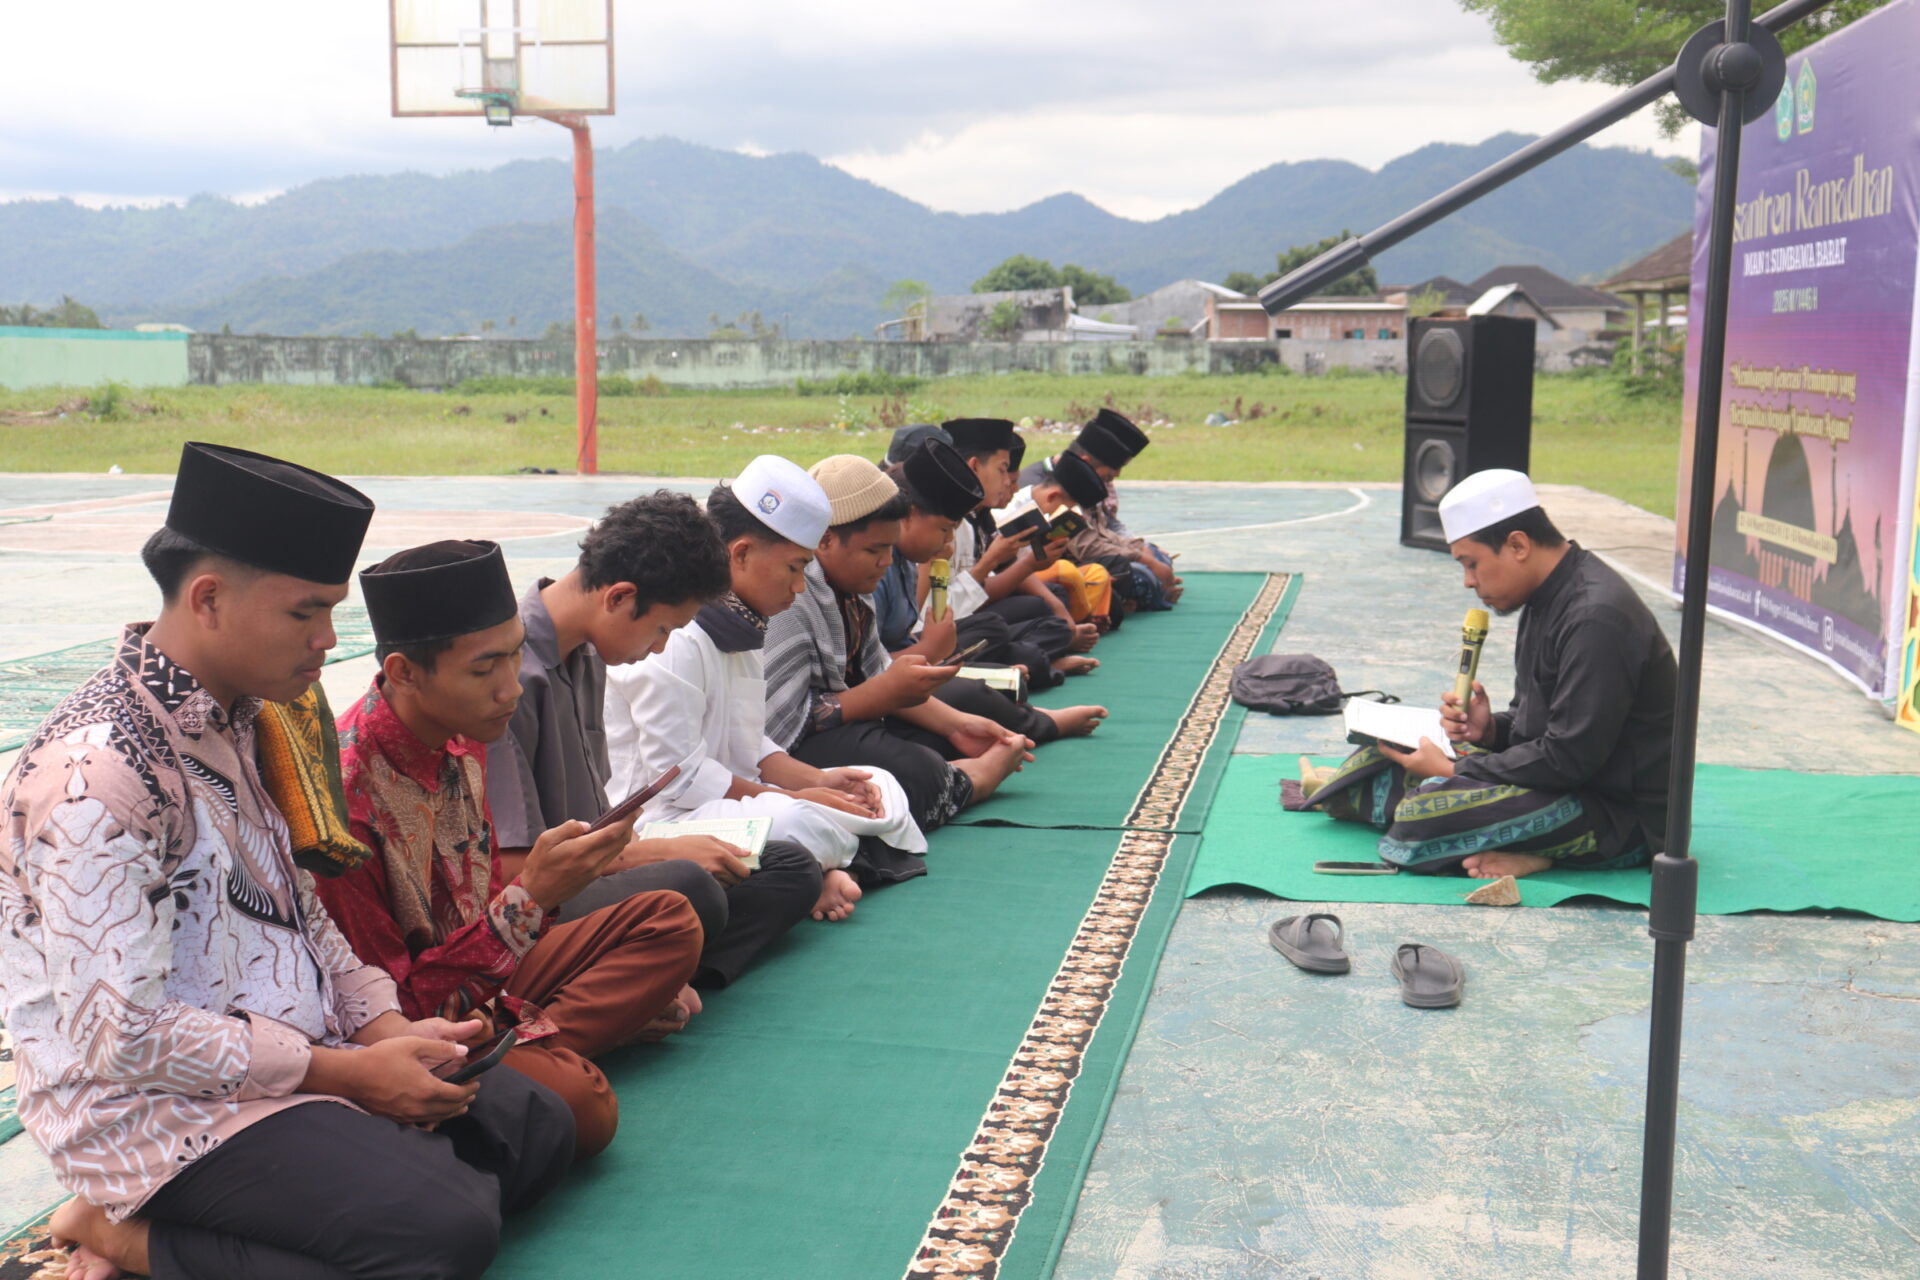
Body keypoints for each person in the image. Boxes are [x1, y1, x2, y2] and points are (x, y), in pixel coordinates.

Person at [0, 443, 573, 1280]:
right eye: (307, 613)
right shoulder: (97, 773)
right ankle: (123, 1231)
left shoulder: (246, 718)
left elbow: (302, 918)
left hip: (301, 1052)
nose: (327, 640)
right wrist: (348, 1076)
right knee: (445, 1233)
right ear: (209, 599)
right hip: (160, 1107)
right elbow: (120, 1037)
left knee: (540, 1133)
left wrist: (385, 1032)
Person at [315, 539, 708, 1160]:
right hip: (411, 1019)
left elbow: (477, 907)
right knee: (586, 1106)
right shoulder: (345, 803)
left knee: (671, 918)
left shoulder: (462, 734)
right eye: (484, 670)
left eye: (516, 655)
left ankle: (526, 1046)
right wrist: (535, 897)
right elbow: (388, 1008)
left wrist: (529, 910)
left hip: (484, 974)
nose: (510, 688)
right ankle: (539, 1047)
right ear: (404, 672)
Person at [484, 491, 821, 989]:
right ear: (619, 597)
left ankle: (655, 971)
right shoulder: (507, 681)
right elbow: (511, 868)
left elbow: (602, 824)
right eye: (662, 628)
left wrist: (659, 848)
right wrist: (661, 854)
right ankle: (645, 974)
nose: (661, 647)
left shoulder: (589, 652)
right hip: (534, 899)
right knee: (691, 887)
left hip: (596, 869)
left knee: (788, 866)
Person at [605, 457, 931, 926]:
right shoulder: (674, 636)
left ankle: (829, 867)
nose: (800, 587)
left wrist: (816, 782)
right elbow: (679, 780)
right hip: (663, 821)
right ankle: (824, 870)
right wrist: (795, 798)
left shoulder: (744, 622)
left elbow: (749, 738)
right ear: (740, 554)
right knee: (797, 822)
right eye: (794, 568)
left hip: (734, 802)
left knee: (879, 783)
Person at [1305, 469, 1676, 879]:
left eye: (1472, 564)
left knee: (1424, 810)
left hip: (1615, 813)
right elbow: (1539, 724)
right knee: (1383, 755)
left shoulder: (1595, 618)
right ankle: (1516, 841)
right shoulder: (1545, 596)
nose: (1468, 582)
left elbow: (1570, 758)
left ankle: (1546, 853)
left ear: (1517, 545)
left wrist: (1452, 772)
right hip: (1557, 780)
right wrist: (1490, 731)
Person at [763, 454, 1033, 833]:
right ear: (824, 541)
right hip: (787, 751)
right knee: (911, 769)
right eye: (874, 550)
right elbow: (775, 729)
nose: (886, 562)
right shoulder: (793, 595)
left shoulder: (854, 587)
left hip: (843, 727)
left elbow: (877, 672)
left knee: (941, 730)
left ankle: (952, 765)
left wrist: (957, 726)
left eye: (890, 548)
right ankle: (975, 779)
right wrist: (889, 688)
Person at [873, 438, 1106, 743]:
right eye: (944, 530)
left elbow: (905, 632)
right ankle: (1035, 719)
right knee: (972, 691)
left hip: (912, 663)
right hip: (890, 684)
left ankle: (1009, 694)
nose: (949, 541)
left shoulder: (905, 559)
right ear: (906, 517)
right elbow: (874, 671)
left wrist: (932, 649)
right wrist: (929, 648)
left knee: (991, 670)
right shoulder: (881, 566)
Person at [942, 417, 1106, 661]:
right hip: (949, 632)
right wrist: (1001, 562)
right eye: (1002, 471)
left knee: (1047, 606)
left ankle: (1035, 658)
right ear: (974, 467)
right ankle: (1039, 661)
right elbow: (945, 612)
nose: (1009, 484)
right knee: (1002, 630)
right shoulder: (944, 523)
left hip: (968, 619)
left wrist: (1058, 609)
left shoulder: (974, 519)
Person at [1021, 409, 1182, 610]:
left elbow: (1103, 527)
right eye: (1110, 474)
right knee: (1136, 574)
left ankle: (1148, 586)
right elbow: (1084, 545)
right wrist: (1143, 559)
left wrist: (1140, 549)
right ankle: (1148, 589)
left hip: (1090, 556)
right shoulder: (1046, 488)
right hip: (1064, 563)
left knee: (1153, 557)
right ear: (1087, 463)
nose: (1115, 477)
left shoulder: (1080, 479)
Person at [994, 448, 1120, 627]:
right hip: (1016, 579)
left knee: (1097, 573)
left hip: (1037, 574)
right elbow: (1010, 567)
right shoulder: (1009, 512)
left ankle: (1088, 620)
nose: (1013, 488)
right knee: (1065, 572)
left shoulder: (1043, 508)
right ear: (1053, 496)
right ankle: (1081, 620)